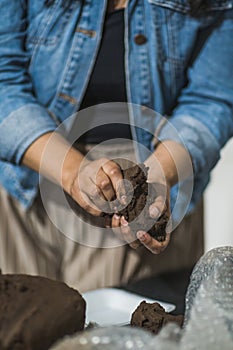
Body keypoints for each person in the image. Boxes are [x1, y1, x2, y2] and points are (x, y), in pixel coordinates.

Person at [0, 0, 232, 292]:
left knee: (115, 331)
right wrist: (73, 171)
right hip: (24, 175)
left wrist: (158, 174)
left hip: (139, 181)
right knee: (24, 328)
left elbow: (213, 99)